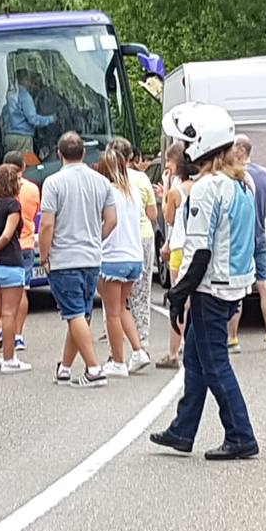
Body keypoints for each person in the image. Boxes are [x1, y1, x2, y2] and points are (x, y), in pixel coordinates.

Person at [150, 103, 259, 460]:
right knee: (196, 361)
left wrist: (178, 294)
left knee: (214, 364)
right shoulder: (243, 183)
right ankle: (183, 430)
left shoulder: (208, 187)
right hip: (233, 284)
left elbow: (199, 251)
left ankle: (241, 435)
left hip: (210, 288)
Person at [40, 131, 116, 388]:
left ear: (59, 154)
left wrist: (44, 254)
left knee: (73, 314)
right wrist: (96, 237)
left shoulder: (53, 183)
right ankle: (66, 367)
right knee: (81, 314)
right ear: (83, 153)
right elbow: (112, 220)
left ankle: (94, 369)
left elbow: (47, 225)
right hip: (92, 257)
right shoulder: (101, 182)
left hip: (65, 258)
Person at [96, 148, 153, 377]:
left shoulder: (106, 192)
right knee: (121, 307)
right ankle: (138, 351)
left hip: (112, 257)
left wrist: (96, 241)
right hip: (134, 256)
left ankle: (118, 360)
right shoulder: (132, 192)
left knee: (111, 312)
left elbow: (107, 222)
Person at [226, 134, 266, 353]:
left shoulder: (234, 177)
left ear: (239, 151)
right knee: (264, 282)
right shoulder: (264, 174)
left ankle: (232, 339)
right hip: (260, 234)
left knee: (237, 287)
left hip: (239, 238)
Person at [108, 138, 158, 350]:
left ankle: (116, 349)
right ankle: (143, 340)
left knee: (114, 301)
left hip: (118, 240)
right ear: (131, 157)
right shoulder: (141, 179)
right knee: (142, 291)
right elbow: (153, 213)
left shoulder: (108, 182)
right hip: (144, 236)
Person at [0, 163, 31, 374]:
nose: (21, 183)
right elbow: (7, 234)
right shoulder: (13, 205)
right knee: (9, 314)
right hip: (10, 261)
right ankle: (9, 358)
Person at [156, 143, 194, 369]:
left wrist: (168, 187)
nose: (167, 166)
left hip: (179, 249)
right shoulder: (198, 186)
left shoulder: (175, 191)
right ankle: (189, 346)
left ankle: (173, 352)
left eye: (169, 162)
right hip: (195, 247)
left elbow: (167, 218)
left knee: (178, 302)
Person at [2, 151, 40, 351]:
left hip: (4, 246)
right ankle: (18, 334)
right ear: (23, 167)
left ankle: (3, 331)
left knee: (2, 294)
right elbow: (34, 215)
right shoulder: (32, 189)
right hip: (26, 245)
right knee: (23, 290)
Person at [4, 68, 55, 155]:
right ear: (24, 80)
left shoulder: (10, 94)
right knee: (27, 166)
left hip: (9, 137)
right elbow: (33, 119)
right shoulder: (25, 96)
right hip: (22, 138)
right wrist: (52, 118)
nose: (30, 83)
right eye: (29, 79)